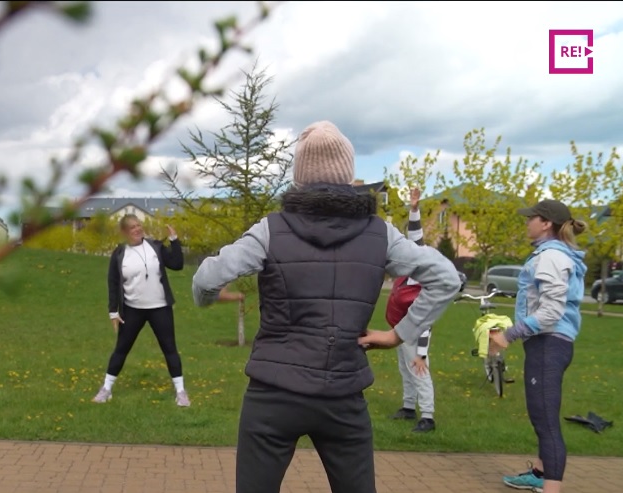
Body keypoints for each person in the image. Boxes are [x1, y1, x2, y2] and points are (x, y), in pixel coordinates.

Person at [191, 120, 461, 493]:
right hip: (343, 396)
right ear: (348, 175)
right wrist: (400, 335)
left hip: (273, 395)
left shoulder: (271, 229)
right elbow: (446, 277)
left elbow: (206, 280)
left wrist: (205, 300)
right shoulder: (380, 233)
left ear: (299, 177)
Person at [491, 199, 587, 493]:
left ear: (546, 223)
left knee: (545, 421)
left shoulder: (551, 258)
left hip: (549, 343)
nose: (526, 222)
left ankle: (551, 488)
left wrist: (509, 334)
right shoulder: (552, 255)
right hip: (549, 344)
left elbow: (550, 312)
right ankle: (539, 474)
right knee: (542, 415)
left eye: (531, 218)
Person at [93, 214, 190, 406]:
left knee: (170, 349)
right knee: (121, 349)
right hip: (132, 310)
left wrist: (174, 240)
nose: (137, 229)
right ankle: (106, 389)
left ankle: (181, 392)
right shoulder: (120, 253)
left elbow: (177, 264)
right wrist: (113, 311)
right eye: (132, 227)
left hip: (160, 308)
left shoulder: (155, 247)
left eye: (138, 225)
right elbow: (113, 283)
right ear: (125, 232)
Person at [385, 187, 438, 433]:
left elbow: (416, 239)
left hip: (417, 331)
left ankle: (427, 416)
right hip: (401, 328)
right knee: (404, 368)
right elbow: (412, 238)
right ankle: (408, 407)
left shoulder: (421, 276)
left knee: (418, 368)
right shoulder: (407, 273)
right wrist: (413, 209)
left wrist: (422, 354)